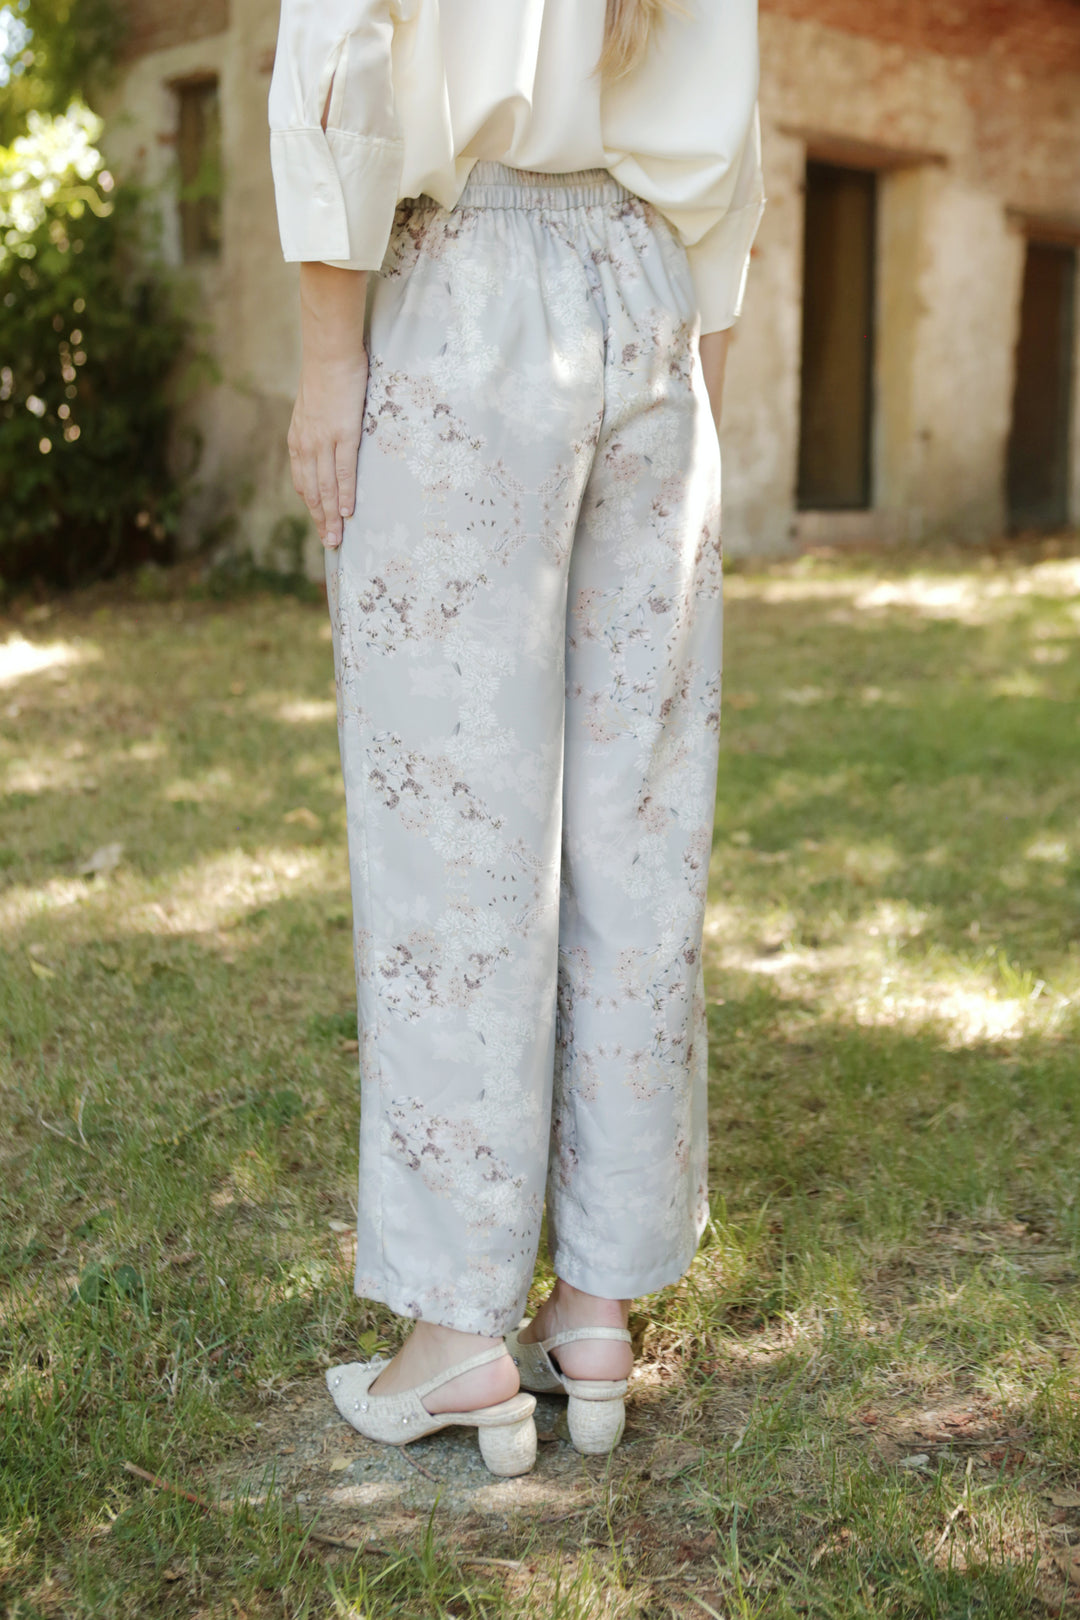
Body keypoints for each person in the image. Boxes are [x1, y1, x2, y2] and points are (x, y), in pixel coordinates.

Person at [268, 0, 764, 1477]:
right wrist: (703, 392)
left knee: (455, 832)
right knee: (637, 829)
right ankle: (595, 1309)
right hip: (654, 306)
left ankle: (457, 1330)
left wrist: (329, 349)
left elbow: (344, 43)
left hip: (465, 290)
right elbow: (729, 135)